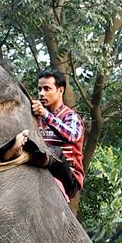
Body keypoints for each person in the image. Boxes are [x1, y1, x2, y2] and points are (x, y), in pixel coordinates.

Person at [31, 68, 85, 198]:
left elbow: (72, 136)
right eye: (40, 89)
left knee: (56, 152)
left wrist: (46, 114)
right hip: (42, 170)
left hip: (68, 177)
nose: (41, 93)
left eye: (47, 89)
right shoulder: (36, 117)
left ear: (60, 90)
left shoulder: (71, 116)